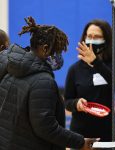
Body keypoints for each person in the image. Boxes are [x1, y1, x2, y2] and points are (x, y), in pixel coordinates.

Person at [0, 16, 97, 150]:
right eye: (57, 51)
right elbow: (45, 127)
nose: (58, 56)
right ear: (45, 49)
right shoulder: (43, 81)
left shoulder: (11, 67)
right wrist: (80, 142)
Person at [64, 19, 112, 145]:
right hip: (81, 135)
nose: (92, 39)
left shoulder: (113, 65)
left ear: (106, 40)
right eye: (89, 36)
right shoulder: (75, 69)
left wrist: (96, 63)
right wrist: (76, 103)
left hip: (108, 134)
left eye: (97, 37)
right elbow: (67, 101)